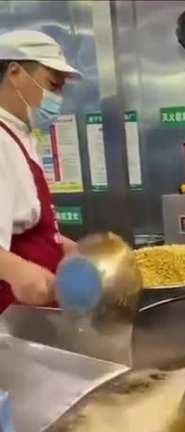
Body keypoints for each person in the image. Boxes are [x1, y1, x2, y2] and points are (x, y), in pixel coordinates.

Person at [0, 29, 81, 312]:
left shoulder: (19, 135)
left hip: (37, 318)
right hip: (9, 320)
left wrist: (72, 249)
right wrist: (17, 270)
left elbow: (26, 222)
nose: (57, 97)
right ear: (15, 72)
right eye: (53, 85)